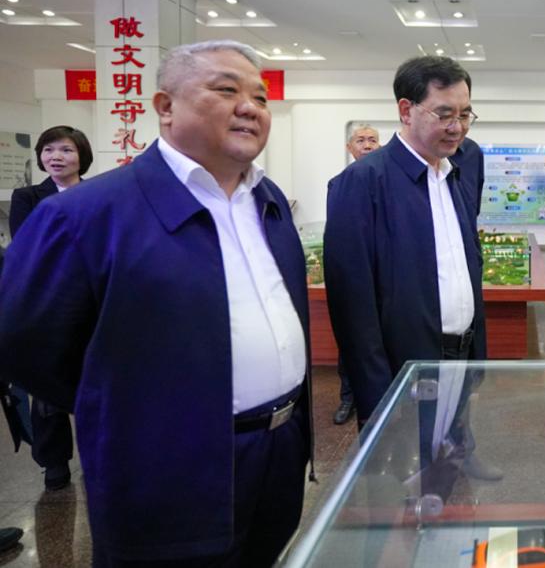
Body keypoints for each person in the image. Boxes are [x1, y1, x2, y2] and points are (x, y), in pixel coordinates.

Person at [0, 40, 313, 567]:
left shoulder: (268, 199)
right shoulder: (86, 213)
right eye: (227, 90)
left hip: (278, 452)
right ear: (165, 107)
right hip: (167, 470)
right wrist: (132, 407)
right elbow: (22, 343)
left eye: (261, 98)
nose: (250, 107)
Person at [325, 55, 501, 481]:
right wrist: (376, 395)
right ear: (406, 110)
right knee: (405, 481)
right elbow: (352, 305)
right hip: (405, 367)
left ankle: (450, 476)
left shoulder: (459, 169)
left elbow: (467, 259)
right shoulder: (362, 182)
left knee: (446, 462)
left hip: (460, 352)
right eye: (444, 114)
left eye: (465, 114)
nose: (457, 127)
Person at [7, 125, 94, 491]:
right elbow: (27, 246)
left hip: (95, 300)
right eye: (48, 150)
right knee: (47, 386)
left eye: (66, 150)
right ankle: (54, 460)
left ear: (82, 156)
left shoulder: (100, 194)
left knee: (96, 382)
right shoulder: (28, 196)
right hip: (48, 301)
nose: (56, 157)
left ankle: (98, 454)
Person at [332, 124, 382, 426]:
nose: (367, 144)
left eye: (372, 140)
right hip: (355, 279)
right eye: (360, 140)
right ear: (350, 148)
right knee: (351, 341)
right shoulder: (339, 184)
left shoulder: (390, 183)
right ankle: (348, 398)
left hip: (385, 279)